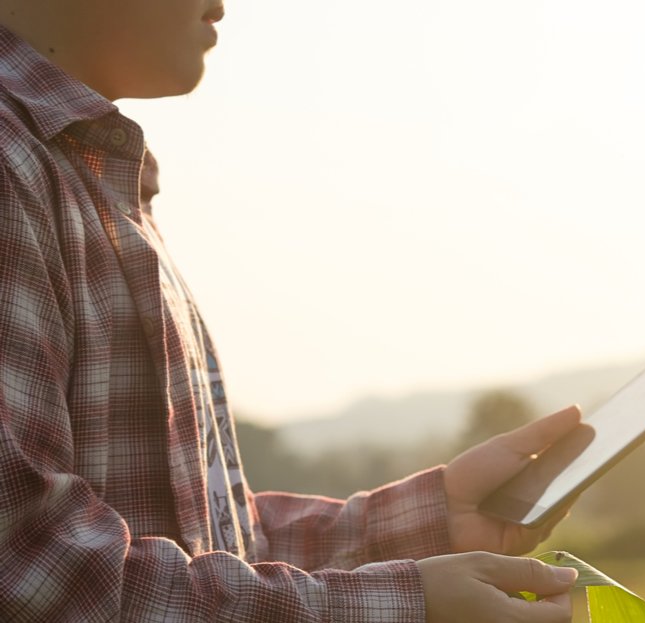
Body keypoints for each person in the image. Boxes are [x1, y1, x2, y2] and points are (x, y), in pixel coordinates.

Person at [0, 0, 582, 620]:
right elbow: (31, 569)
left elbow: (211, 548)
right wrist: (406, 607)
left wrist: (430, 519)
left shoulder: (79, 173)